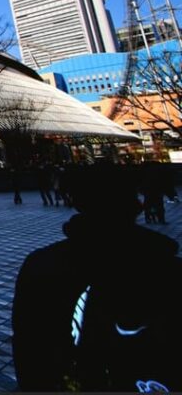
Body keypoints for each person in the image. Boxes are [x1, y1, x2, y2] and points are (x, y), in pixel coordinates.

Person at [12, 165, 181, 392]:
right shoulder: (167, 268)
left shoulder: (42, 266)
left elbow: (28, 346)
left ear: (77, 202)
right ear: (135, 206)